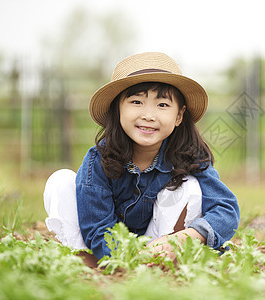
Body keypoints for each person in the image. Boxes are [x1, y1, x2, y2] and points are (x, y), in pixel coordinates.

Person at [43, 52, 240, 265]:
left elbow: (226, 208)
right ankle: (89, 262)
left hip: (162, 242)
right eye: (136, 101)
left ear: (179, 116)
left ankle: (162, 260)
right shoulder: (97, 161)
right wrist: (129, 255)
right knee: (60, 181)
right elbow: (97, 229)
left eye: (162, 105)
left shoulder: (190, 155)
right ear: (117, 108)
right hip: (107, 249)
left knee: (190, 187)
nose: (148, 115)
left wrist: (186, 237)